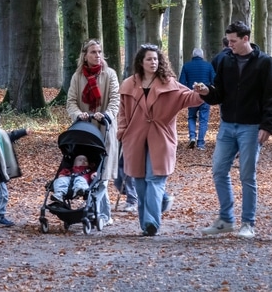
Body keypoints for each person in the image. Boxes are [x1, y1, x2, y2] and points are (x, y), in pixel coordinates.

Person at [198, 21, 272, 240]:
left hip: (252, 127)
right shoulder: (225, 61)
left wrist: (268, 126)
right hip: (227, 125)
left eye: (233, 41)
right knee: (218, 170)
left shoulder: (265, 63)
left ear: (246, 39)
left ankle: (248, 223)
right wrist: (207, 92)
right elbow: (219, 94)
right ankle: (226, 219)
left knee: (247, 175)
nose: (229, 45)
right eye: (228, 41)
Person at [118, 43, 205, 236]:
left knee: (155, 179)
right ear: (141, 62)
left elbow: (190, 98)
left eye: (156, 59)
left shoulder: (169, 83)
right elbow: (122, 112)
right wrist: (122, 132)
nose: (153, 62)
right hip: (134, 137)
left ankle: (152, 222)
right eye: (149, 59)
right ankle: (145, 224)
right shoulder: (128, 84)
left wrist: (202, 91)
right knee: (140, 182)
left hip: (161, 137)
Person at [66, 39, 120, 221]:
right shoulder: (77, 76)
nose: (97, 55)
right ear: (85, 55)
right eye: (93, 52)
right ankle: (102, 214)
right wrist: (78, 114)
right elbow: (71, 101)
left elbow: (115, 100)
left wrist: (106, 115)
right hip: (84, 130)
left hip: (104, 130)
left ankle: (101, 214)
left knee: (102, 174)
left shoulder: (110, 74)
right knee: (89, 171)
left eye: (99, 52)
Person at [178, 47, 215, 149]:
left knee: (191, 117)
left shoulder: (186, 66)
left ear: (192, 56)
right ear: (202, 56)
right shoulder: (208, 66)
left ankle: (192, 137)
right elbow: (214, 81)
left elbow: (182, 83)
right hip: (205, 96)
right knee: (203, 119)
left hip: (192, 96)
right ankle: (201, 143)